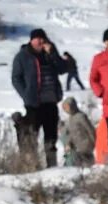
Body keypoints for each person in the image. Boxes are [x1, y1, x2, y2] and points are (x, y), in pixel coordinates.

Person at [11, 28, 69, 168]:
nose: (41, 42)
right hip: (34, 104)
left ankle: (52, 166)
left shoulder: (50, 53)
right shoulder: (23, 56)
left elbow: (62, 69)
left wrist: (53, 54)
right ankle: (32, 167)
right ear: (31, 40)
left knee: (51, 138)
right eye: (38, 39)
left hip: (51, 102)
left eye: (43, 39)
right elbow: (16, 78)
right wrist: (26, 95)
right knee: (31, 137)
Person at [59, 97, 95, 166]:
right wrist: (69, 143)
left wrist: (93, 142)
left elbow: (90, 129)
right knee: (70, 158)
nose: (66, 110)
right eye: (64, 108)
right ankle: (64, 166)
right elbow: (71, 134)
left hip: (85, 145)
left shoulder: (81, 116)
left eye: (67, 107)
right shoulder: (70, 119)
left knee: (87, 164)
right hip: (76, 147)